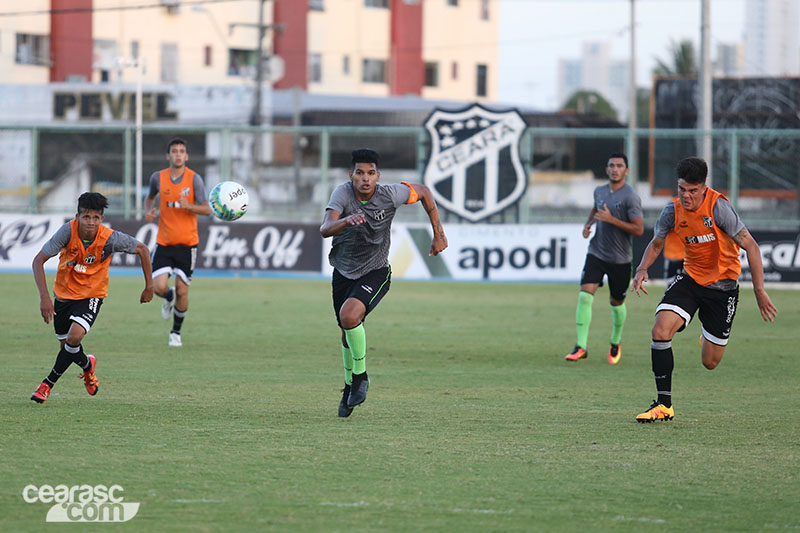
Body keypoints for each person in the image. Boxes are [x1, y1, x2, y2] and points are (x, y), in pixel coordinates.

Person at [631, 156, 778, 422]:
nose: (686, 196)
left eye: (692, 191)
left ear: (703, 187)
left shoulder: (718, 207)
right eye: (681, 190)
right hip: (690, 280)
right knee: (660, 330)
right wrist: (642, 269)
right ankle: (664, 405)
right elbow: (656, 244)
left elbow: (752, 247)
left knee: (710, 362)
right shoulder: (672, 211)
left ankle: (706, 335)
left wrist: (759, 291)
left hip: (723, 290)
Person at [320, 148, 448, 418]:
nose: (365, 179)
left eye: (370, 173)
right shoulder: (342, 194)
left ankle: (361, 377)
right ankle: (349, 387)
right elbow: (325, 228)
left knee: (349, 315)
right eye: (359, 173)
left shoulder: (390, 194)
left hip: (376, 271)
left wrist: (438, 234)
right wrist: (345, 220)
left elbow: (423, 191)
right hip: (343, 271)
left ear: (378, 175)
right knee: (346, 330)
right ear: (351, 175)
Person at [31, 192, 154, 404]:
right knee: (67, 348)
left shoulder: (109, 238)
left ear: (101, 219)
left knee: (74, 338)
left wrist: (149, 287)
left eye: (96, 218)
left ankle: (46, 385)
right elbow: (38, 261)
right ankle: (88, 365)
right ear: (77, 216)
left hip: (92, 295)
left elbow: (142, 249)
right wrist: (44, 297)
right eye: (86, 217)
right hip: (63, 295)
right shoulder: (67, 232)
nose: (91, 222)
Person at [565, 153, 644, 364]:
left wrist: (612, 220)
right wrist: (588, 224)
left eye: (619, 166)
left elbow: (638, 229)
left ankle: (615, 341)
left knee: (616, 302)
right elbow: (595, 208)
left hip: (620, 259)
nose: (615, 169)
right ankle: (581, 346)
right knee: (584, 295)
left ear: (626, 171)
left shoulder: (631, 197)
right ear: (607, 169)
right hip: (596, 253)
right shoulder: (599, 191)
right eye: (611, 165)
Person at [144, 137, 211, 347]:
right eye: (174, 151)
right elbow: (149, 197)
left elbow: (207, 209)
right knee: (158, 287)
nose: (178, 154)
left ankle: (175, 332)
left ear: (187, 156)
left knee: (183, 290)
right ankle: (168, 297)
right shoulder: (158, 177)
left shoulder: (194, 179)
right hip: (164, 242)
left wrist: (189, 206)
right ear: (168, 155)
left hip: (187, 244)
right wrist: (149, 210)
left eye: (182, 151)